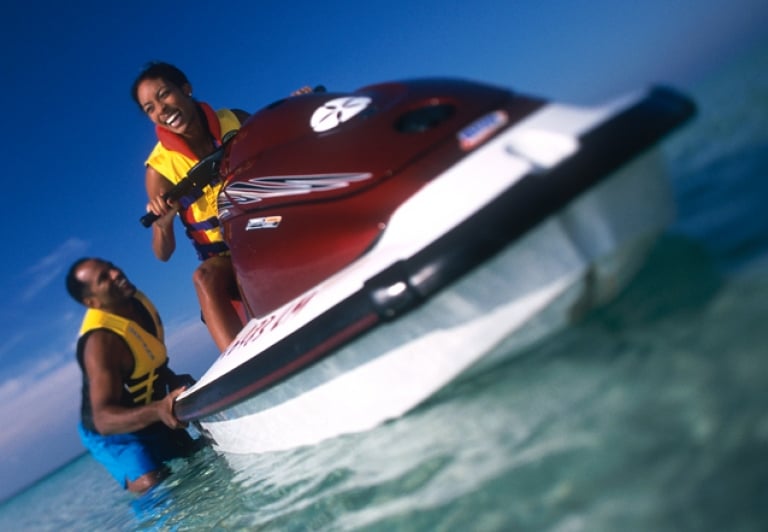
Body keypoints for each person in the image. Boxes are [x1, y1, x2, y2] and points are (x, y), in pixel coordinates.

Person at [131, 62, 247, 353]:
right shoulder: (158, 171)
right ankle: (239, 359)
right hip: (229, 258)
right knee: (203, 278)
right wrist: (163, 223)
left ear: (186, 89)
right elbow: (162, 254)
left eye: (164, 95)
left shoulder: (237, 119)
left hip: (273, 223)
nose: (161, 109)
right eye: (150, 108)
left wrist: (294, 108)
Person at [66, 257, 200, 494]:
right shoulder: (100, 342)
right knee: (154, 483)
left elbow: (148, 361)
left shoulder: (136, 302)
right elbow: (103, 419)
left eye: (111, 267)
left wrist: (172, 380)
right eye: (103, 278)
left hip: (149, 411)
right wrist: (159, 410)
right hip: (114, 430)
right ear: (92, 302)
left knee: (197, 455)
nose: (116, 273)